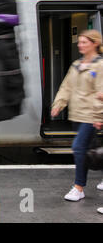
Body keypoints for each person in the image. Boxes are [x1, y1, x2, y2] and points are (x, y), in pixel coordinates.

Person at [51, 30, 103, 202]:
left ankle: (79, 187)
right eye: (79, 42)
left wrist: (98, 116)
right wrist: (58, 104)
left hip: (91, 116)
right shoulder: (76, 65)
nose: (80, 45)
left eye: (84, 42)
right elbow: (67, 87)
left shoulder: (100, 65)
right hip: (77, 115)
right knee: (91, 150)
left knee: (78, 147)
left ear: (95, 43)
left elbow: (100, 92)